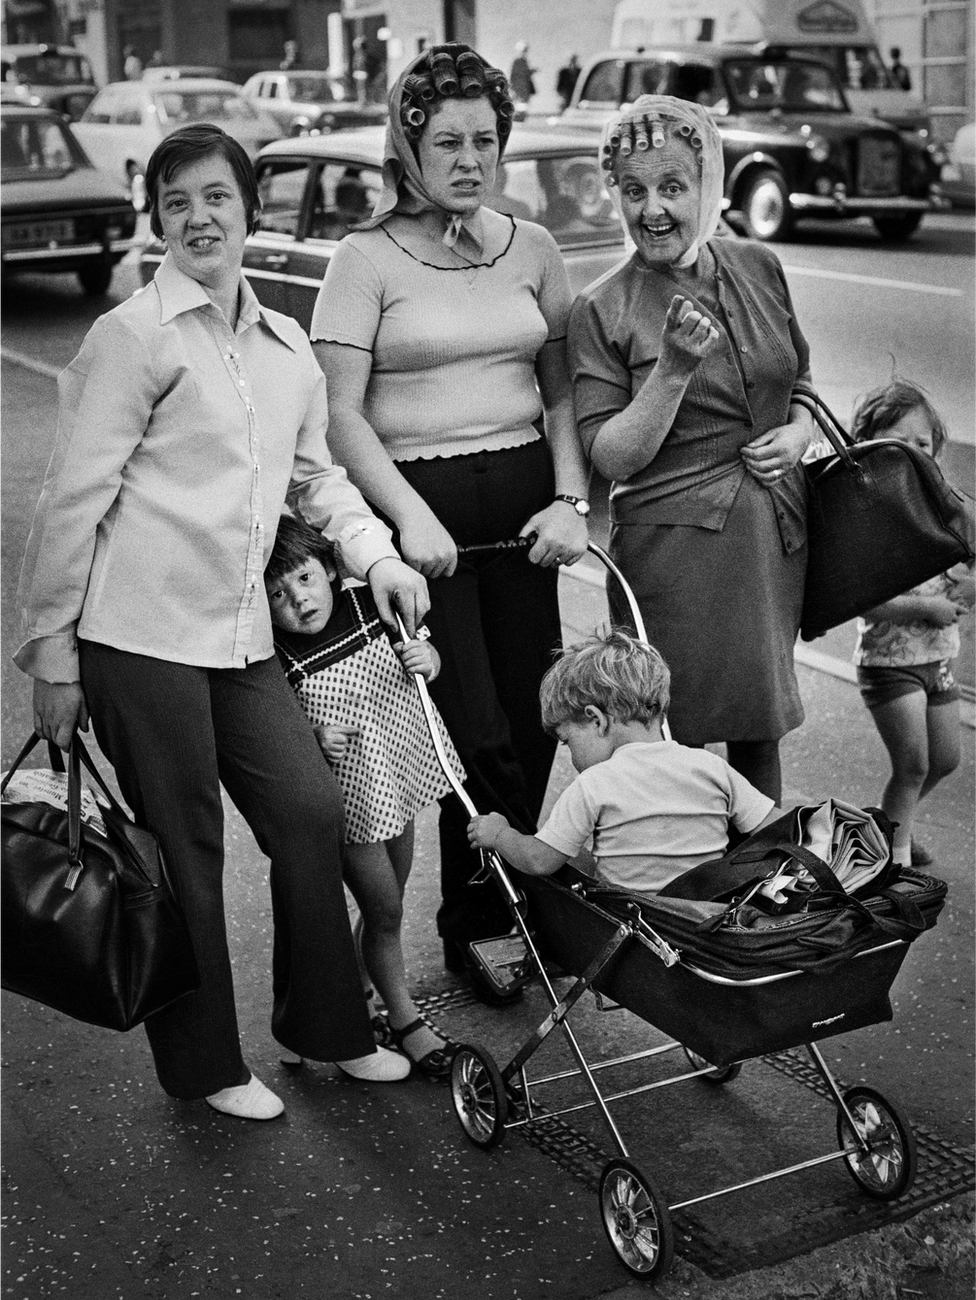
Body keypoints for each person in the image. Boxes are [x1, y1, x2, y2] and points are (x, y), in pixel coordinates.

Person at [15, 123, 429, 1120]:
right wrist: (53, 653)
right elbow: (71, 501)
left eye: (217, 197)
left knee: (309, 811)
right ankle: (204, 1066)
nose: (199, 217)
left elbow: (317, 478)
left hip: (241, 637)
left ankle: (327, 1028)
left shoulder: (284, 347)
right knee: (186, 847)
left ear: (249, 209)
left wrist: (375, 555)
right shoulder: (132, 338)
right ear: (155, 219)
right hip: (138, 637)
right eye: (176, 202)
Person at [310, 43, 590, 995]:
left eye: (485, 139)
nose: (469, 158)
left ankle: (516, 892)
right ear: (408, 146)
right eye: (447, 140)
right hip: (426, 529)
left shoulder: (535, 249)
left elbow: (560, 394)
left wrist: (570, 498)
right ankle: (478, 920)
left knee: (539, 720)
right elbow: (340, 415)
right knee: (475, 732)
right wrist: (405, 521)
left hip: (527, 522)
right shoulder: (363, 258)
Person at [567, 95, 817, 805]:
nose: (653, 209)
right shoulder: (601, 307)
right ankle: (692, 895)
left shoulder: (759, 265)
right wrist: (673, 370)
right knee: (673, 739)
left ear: (707, 191)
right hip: (670, 560)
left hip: (770, 544)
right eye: (635, 189)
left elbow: (799, 378)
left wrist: (800, 432)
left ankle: (763, 889)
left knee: (759, 729)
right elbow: (610, 456)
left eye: (673, 187)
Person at [265, 516, 463, 1075]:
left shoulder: (368, 607)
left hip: (395, 776)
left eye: (304, 579)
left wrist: (431, 660)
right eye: (277, 594)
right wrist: (313, 738)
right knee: (387, 909)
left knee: (387, 906)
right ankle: (405, 1020)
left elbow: (426, 656)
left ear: (330, 568)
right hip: (350, 800)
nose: (297, 601)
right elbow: (271, 730)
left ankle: (357, 995)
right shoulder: (280, 655)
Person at [468, 632, 779, 892]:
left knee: (567, 860)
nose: (572, 756)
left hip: (636, 927)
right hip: (704, 920)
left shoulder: (594, 785)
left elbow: (537, 860)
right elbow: (778, 826)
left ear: (596, 720)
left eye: (568, 741)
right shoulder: (711, 767)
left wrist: (499, 834)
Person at [851, 379, 975, 868]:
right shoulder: (868, 511)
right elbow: (864, 601)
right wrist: (924, 609)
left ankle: (886, 827)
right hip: (889, 662)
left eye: (922, 443)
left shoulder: (947, 506)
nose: (913, 454)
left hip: (939, 658)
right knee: (914, 763)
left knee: (944, 760)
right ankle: (893, 865)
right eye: (898, 442)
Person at [509, 41, 536, 108]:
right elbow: (516, 75)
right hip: (519, 88)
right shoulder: (518, 61)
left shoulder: (523, 61)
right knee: (521, 106)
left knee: (523, 105)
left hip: (523, 87)